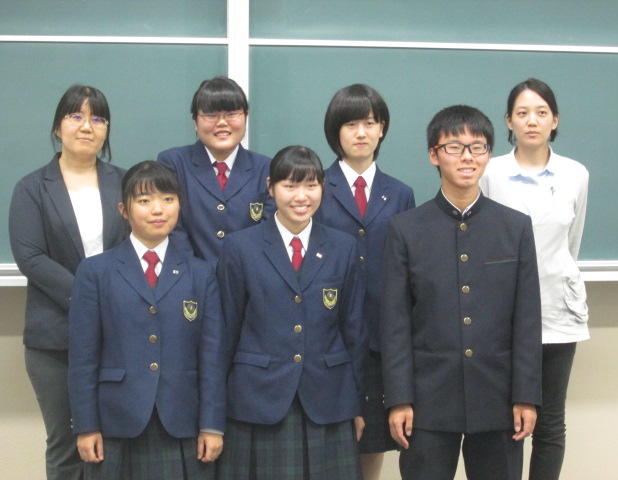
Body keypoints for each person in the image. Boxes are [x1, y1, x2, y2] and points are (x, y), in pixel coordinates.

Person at [380, 105, 542, 480]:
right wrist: (399, 398)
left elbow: (527, 319)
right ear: (433, 154)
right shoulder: (406, 229)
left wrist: (526, 395)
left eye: (477, 147)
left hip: (498, 396)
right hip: (427, 399)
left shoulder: (515, 227)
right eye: (454, 147)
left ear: (488, 154)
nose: (467, 157)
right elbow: (395, 322)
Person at [216, 145, 367, 480]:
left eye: (311, 185)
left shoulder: (343, 247)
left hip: (329, 399)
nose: (301, 196)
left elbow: (354, 330)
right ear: (270, 188)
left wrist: (356, 404)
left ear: (322, 188)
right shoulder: (240, 247)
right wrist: (214, 414)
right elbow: (225, 332)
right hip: (257, 399)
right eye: (290, 185)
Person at [67, 161, 226, 479]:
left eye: (168, 199)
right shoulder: (96, 271)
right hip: (116, 420)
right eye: (144, 200)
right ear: (123, 210)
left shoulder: (201, 273)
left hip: (182, 419)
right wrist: (86, 425)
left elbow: (212, 356)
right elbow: (83, 357)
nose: (158, 209)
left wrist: (212, 425)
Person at [9, 84, 128, 480]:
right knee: (67, 444)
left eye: (98, 118)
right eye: (75, 116)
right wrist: (90, 299)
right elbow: (31, 257)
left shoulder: (126, 184)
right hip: (55, 340)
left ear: (106, 130)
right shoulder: (32, 187)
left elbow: (141, 246)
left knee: (117, 442)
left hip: (119, 334)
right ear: (57, 127)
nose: (87, 126)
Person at [480, 78, 589, 480]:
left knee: (550, 421)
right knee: (506, 418)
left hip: (557, 311)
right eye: (522, 113)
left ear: (554, 120)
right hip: (502, 315)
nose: (532, 121)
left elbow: (571, 243)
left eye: (541, 112)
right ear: (508, 120)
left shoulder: (576, 174)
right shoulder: (490, 172)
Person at [315, 83, 415, 480]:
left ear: (382, 128)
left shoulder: (400, 193)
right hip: (326, 335)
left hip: (378, 339)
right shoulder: (314, 188)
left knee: (372, 440)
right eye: (351, 124)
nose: (361, 132)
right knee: (327, 440)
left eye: (370, 123)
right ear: (335, 131)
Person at [157, 75, 273, 263]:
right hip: (188, 275)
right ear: (195, 121)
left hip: (248, 276)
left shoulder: (266, 169)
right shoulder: (173, 163)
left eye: (232, 114)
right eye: (211, 115)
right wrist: (197, 273)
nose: (222, 123)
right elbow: (171, 227)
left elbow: (268, 232)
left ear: (245, 117)